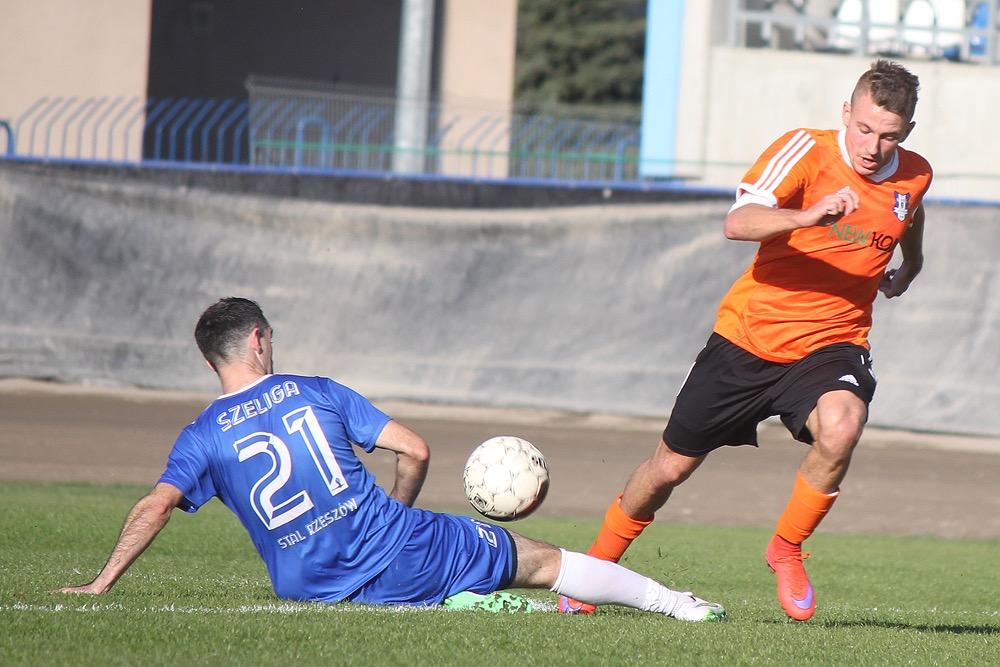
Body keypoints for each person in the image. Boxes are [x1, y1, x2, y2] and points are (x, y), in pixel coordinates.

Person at [58, 297, 725, 622]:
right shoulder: (315, 391)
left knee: (444, 579)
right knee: (543, 559)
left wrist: (101, 581)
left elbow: (156, 504)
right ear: (259, 339)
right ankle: (678, 604)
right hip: (398, 553)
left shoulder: (201, 434)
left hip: (306, 585)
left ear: (212, 360)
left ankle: (462, 599)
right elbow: (416, 448)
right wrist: (394, 516)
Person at [560, 59, 932, 622]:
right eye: (864, 129)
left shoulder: (916, 174)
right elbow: (738, 222)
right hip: (746, 340)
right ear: (845, 114)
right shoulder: (804, 151)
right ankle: (590, 575)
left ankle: (785, 548)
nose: (873, 147)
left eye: (889, 136)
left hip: (831, 344)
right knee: (668, 469)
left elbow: (911, 212)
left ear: (905, 133)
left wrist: (912, 265)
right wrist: (807, 215)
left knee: (843, 425)